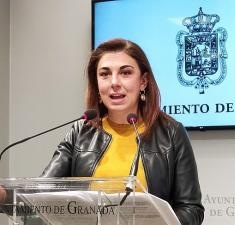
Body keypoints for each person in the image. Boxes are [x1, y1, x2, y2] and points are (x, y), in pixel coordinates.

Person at [3, 38, 205, 224]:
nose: (114, 83)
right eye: (105, 74)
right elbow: (40, 196)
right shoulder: (80, 132)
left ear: (143, 82)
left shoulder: (171, 133)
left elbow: (191, 209)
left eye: (125, 73)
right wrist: (4, 196)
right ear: (97, 83)